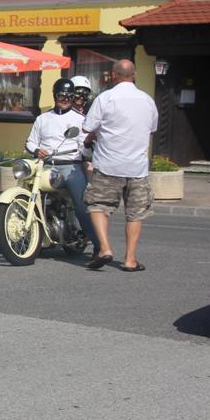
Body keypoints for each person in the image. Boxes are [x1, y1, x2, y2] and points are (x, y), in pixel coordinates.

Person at [82, 59, 159, 272]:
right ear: (134, 75)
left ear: (114, 75)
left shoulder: (105, 98)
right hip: (137, 167)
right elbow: (151, 128)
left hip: (108, 164)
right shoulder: (147, 100)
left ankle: (105, 248)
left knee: (98, 205)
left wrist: (96, 133)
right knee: (135, 213)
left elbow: (87, 126)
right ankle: (130, 260)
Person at [25, 78, 99, 256]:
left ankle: (98, 245)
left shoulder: (81, 120)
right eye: (61, 95)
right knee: (26, 190)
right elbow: (30, 142)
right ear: (54, 95)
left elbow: (86, 149)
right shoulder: (42, 118)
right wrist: (37, 150)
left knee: (82, 204)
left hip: (70, 165)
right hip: (45, 164)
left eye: (68, 96)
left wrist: (88, 147)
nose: (65, 99)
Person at [71, 75, 94, 181]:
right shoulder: (61, 112)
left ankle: (90, 195)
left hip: (85, 152)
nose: (81, 97)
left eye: (85, 94)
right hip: (66, 154)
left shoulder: (91, 112)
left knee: (89, 166)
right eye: (78, 93)